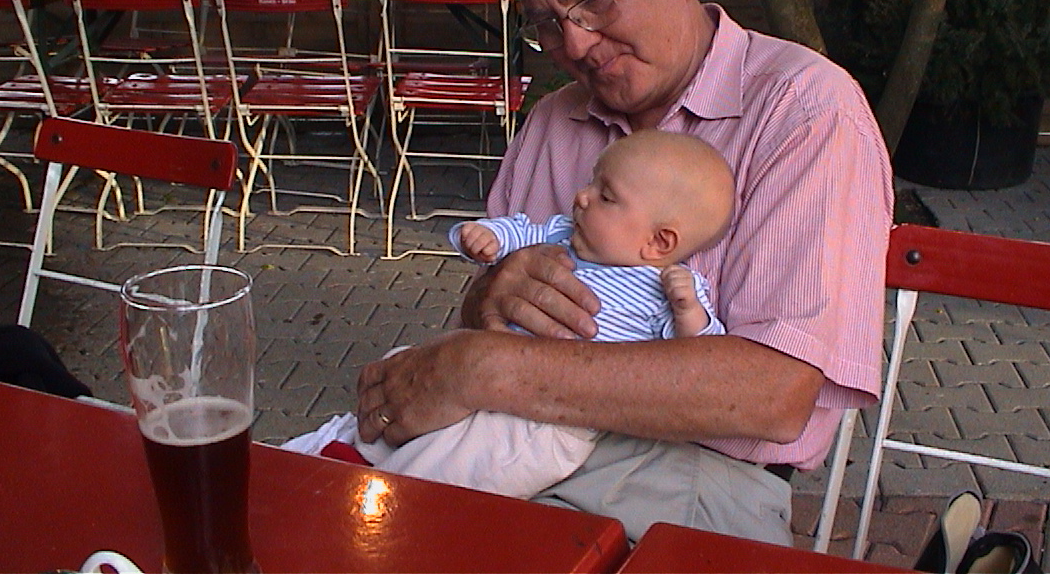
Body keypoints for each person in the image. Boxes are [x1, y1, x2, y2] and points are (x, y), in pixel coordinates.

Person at [356, 0, 894, 546]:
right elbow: (483, 311)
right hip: (515, 442)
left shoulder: (807, 112)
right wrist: (488, 301)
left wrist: (485, 368)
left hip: (695, 483)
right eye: (547, 23)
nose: (576, 44)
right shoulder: (555, 120)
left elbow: (775, 394)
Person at [283, 129, 735, 499]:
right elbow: (517, 230)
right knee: (411, 369)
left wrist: (688, 313)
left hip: (559, 420)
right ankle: (351, 447)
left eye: (606, 196)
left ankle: (390, 487)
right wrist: (485, 238)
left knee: (476, 458)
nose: (581, 196)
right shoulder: (562, 233)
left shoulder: (666, 287)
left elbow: (701, 358)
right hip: (490, 377)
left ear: (659, 242)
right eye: (591, 183)